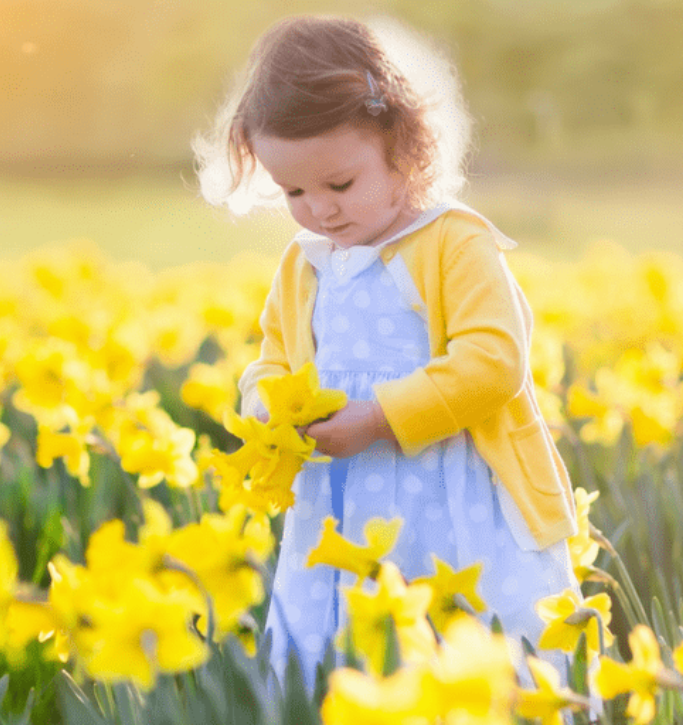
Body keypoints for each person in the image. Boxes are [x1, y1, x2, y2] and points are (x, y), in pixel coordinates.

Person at [194, 15, 579, 691]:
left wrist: (379, 418)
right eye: (294, 192)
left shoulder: (454, 242)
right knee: (345, 654)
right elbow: (274, 359)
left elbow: (494, 363)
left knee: (468, 651)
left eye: (339, 185)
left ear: (407, 148)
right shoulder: (305, 262)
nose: (319, 210)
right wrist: (265, 405)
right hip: (337, 505)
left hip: (455, 493)